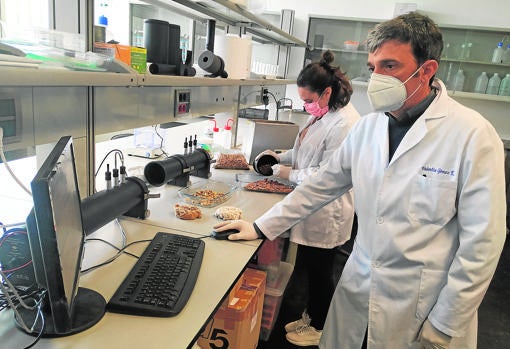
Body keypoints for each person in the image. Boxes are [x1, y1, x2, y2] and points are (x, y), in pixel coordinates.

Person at [214, 12, 506, 349]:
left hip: (423, 302)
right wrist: (262, 226)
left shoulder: (472, 135)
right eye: (373, 67)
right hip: (360, 284)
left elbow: (483, 242)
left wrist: (447, 321)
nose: (377, 77)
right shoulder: (368, 128)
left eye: (390, 66)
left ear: (426, 70)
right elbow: (322, 185)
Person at [255, 49, 360, 347]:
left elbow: (327, 175)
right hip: (312, 207)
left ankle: (319, 326)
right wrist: (280, 155)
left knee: (320, 271)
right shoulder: (323, 113)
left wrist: (287, 173)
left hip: (328, 211)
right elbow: (306, 152)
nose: (306, 106)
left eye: (309, 100)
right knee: (312, 267)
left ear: (327, 92)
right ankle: (310, 316)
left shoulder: (345, 124)